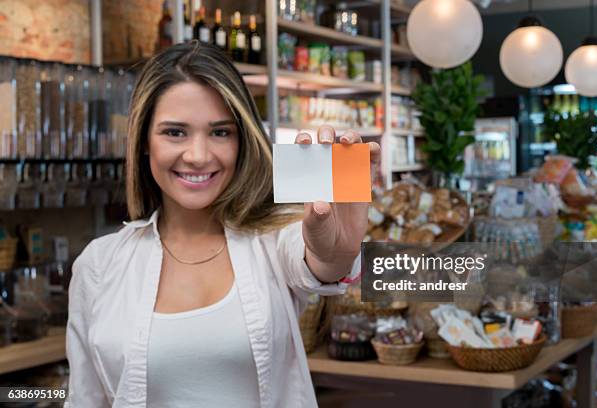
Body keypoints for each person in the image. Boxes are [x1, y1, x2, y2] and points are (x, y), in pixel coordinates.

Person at [64, 41, 380, 408]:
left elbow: (318, 264)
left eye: (220, 132)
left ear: (241, 140)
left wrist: (337, 254)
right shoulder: (99, 265)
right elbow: (83, 400)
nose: (198, 156)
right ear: (144, 141)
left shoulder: (273, 241)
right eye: (175, 132)